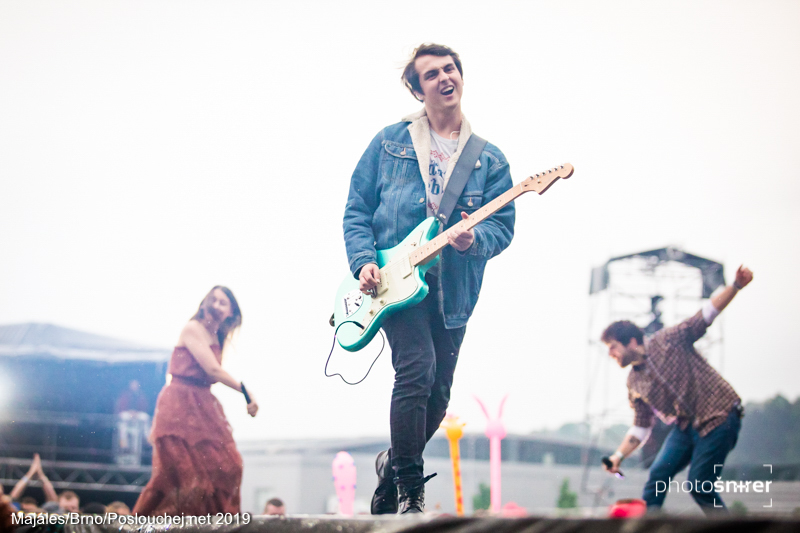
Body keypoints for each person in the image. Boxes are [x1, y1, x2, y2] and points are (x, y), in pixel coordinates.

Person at [343, 43, 515, 514]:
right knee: (416, 369)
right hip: (397, 281)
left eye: (450, 68)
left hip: (453, 290)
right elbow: (357, 208)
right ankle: (410, 490)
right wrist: (363, 261)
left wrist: (473, 239)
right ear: (418, 90)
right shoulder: (388, 142)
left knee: (438, 393)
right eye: (432, 73)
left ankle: (392, 465)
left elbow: (503, 229)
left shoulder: (489, 159)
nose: (445, 77)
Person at [601, 265, 754, 514]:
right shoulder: (634, 382)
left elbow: (705, 315)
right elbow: (641, 426)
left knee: (699, 484)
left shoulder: (668, 340)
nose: (611, 353)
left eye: (613, 346)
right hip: (686, 425)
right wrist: (618, 456)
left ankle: (728, 528)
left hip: (720, 416)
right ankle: (648, 526)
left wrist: (735, 286)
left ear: (632, 341)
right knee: (658, 475)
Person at [132, 286, 258, 516]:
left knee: (229, 467)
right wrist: (245, 392)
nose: (216, 305)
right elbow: (213, 369)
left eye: (223, 303)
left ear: (231, 312)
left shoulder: (217, 336)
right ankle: (145, 526)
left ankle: (215, 523)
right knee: (186, 479)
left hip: (202, 403)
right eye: (214, 300)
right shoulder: (193, 328)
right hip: (180, 402)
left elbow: (213, 373)